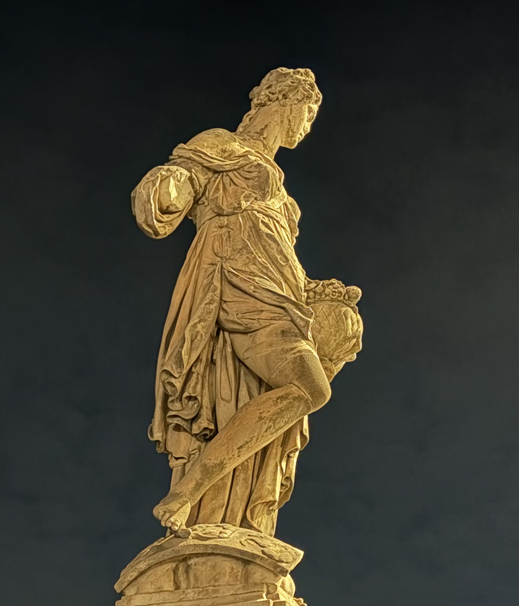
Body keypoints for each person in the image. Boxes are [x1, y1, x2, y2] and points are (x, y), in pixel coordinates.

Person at [132, 67, 364, 536]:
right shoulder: (224, 145)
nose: (308, 126)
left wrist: (317, 292)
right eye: (309, 113)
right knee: (311, 389)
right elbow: (180, 180)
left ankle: (222, 514)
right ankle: (186, 494)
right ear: (284, 101)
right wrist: (169, 186)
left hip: (280, 293)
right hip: (235, 285)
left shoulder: (282, 192)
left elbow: (278, 251)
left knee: (277, 396)